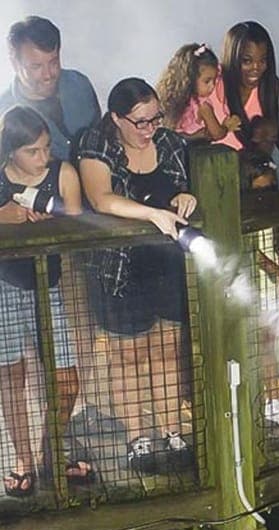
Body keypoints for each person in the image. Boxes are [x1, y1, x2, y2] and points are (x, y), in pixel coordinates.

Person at [78, 78, 196, 473]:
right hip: (118, 269)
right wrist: (152, 213)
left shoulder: (171, 143)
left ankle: (173, 432)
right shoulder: (97, 143)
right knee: (127, 356)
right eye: (140, 121)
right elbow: (101, 198)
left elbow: (182, 184)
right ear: (116, 118)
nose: (150, 129)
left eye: (155, 119)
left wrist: (185, 196)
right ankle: (138, 438)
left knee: (166, 350)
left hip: (167, 265)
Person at [0, 105, 86, 496]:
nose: (42, 158)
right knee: (11, 377)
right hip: (6, 285)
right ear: (11, 151)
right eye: (32, 151)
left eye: (46, 148)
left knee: (67, 377)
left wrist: (51, 222)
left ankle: (53, 448)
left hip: (48, 284)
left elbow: (77, 219)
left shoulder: (62, 172)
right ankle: (23, 460)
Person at [0, 16, 99, 163]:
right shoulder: (4, 112)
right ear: (15, 63)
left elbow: (102, 137)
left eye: (54, 62)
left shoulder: (80, 83)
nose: (48, 75)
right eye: (36, 67)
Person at [217, 21, 279, 155]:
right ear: (232, 58)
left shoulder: (270, 86)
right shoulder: (212, 83)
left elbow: (267, 145)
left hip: (250, 170)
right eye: (247, 61)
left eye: (262, 60)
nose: (256, 68)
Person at [156, 42, 241, 142]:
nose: (212, 86)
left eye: (214, 81)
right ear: (190, 79)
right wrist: (226, 127)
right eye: (207, 81)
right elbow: (217, 134)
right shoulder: (203, 106)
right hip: (194, 153)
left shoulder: (171, 100)